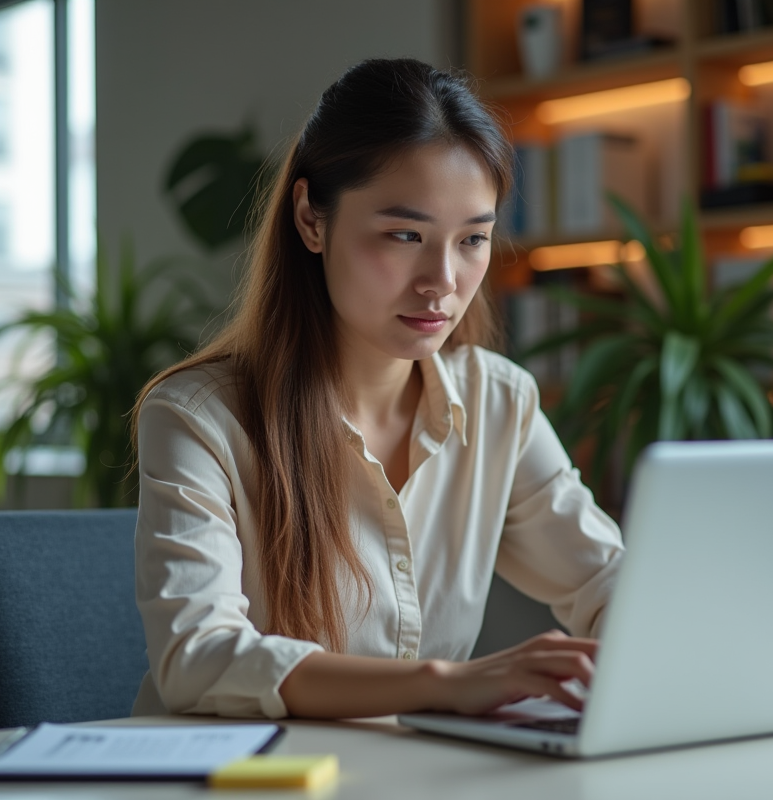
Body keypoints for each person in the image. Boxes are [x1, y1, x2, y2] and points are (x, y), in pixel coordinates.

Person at [131, 58, 624, 721]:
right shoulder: (199, 418)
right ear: (311, 219)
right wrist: (446, 684)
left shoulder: (497, 403)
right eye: (404, 235)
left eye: (473, 239)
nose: (442, 281)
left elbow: (602, 579)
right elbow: (199, 656)